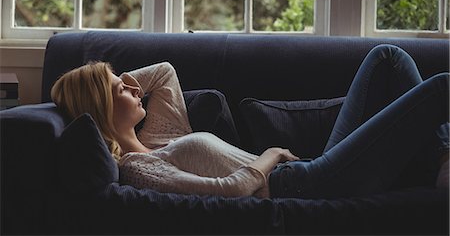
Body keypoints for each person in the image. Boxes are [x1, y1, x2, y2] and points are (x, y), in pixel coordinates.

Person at [51, 44, 449, 199]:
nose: (135, 87)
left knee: (388, 59)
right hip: (305, 186)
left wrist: (117, 83)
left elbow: (165, 71)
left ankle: (441, 164)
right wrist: (272, 155)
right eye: (120, 89)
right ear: (101, 107)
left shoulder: (158, 134)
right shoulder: (138, 168)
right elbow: (228, 190)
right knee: (441, 86)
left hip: (311, 171)